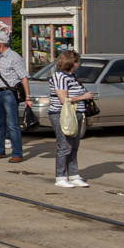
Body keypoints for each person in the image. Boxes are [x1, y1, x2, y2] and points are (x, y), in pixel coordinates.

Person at [0, 31, 31, 163]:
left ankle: (17, 153)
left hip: (9, 93)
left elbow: (24, 78)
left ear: (0, 43)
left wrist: (28, 97)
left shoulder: (14, 57)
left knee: (13, 124)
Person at [48, 49, 94, 188]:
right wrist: (83, 97)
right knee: (65, 146)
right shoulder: (59, 77)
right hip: (62, 114)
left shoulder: (71, 76)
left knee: (74, 146)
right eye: (77, 61)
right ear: (71, 63)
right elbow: (64, 99)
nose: (79, 64)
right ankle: (60, 176)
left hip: (76, 113)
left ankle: (73, 175)